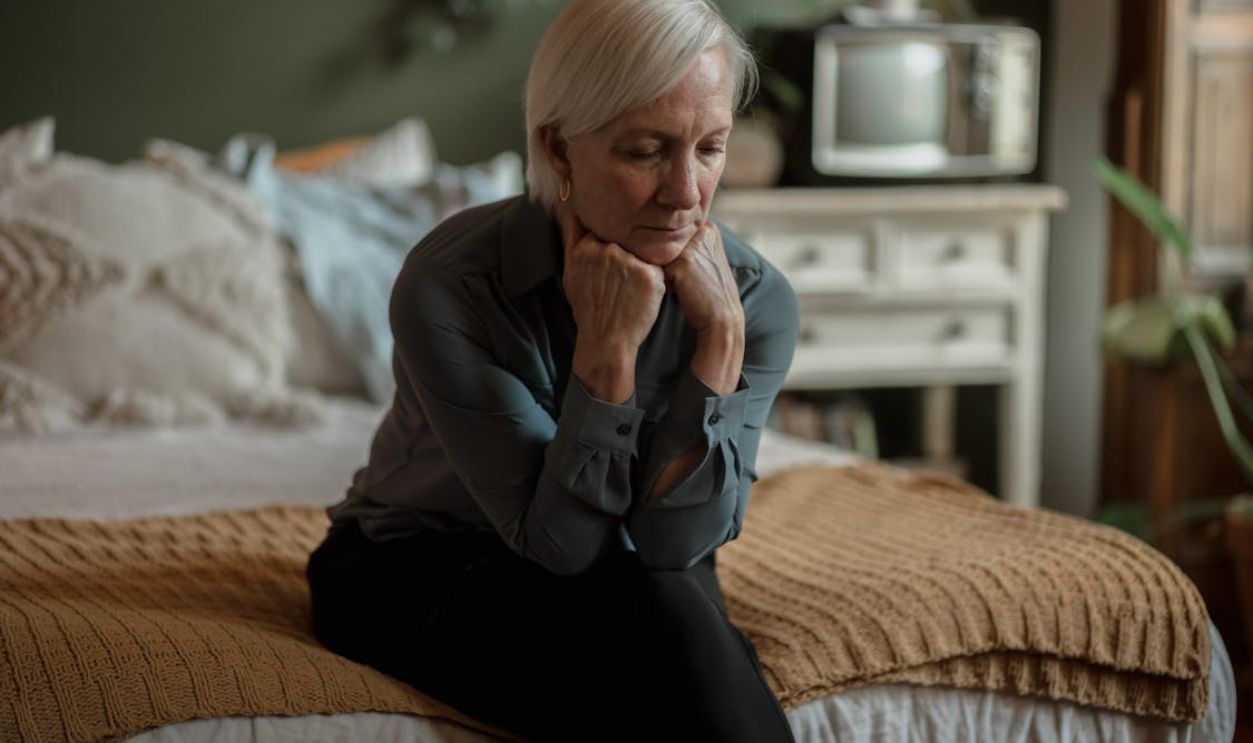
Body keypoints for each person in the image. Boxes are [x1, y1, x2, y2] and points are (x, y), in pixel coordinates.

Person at [306, 0, 799, 740]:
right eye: (644, 150)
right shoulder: (453, 284)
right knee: (661, 641)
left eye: (709, 149)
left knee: (662, 609)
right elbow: (559, 546)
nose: (685, 192)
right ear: (560, 149)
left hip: (635, 570)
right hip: (418, 559)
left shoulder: (752, 302)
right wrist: (606, 352)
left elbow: (678, 544)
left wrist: (718, 342)